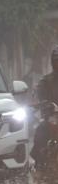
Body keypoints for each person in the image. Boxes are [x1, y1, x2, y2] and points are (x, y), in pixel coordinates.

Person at [30, 46, 58, 174]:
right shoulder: (46, 81)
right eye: (56, 60)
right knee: (40, 132)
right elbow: (37, 95)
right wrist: (41, 103)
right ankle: (40, 166)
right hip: (52, 117)